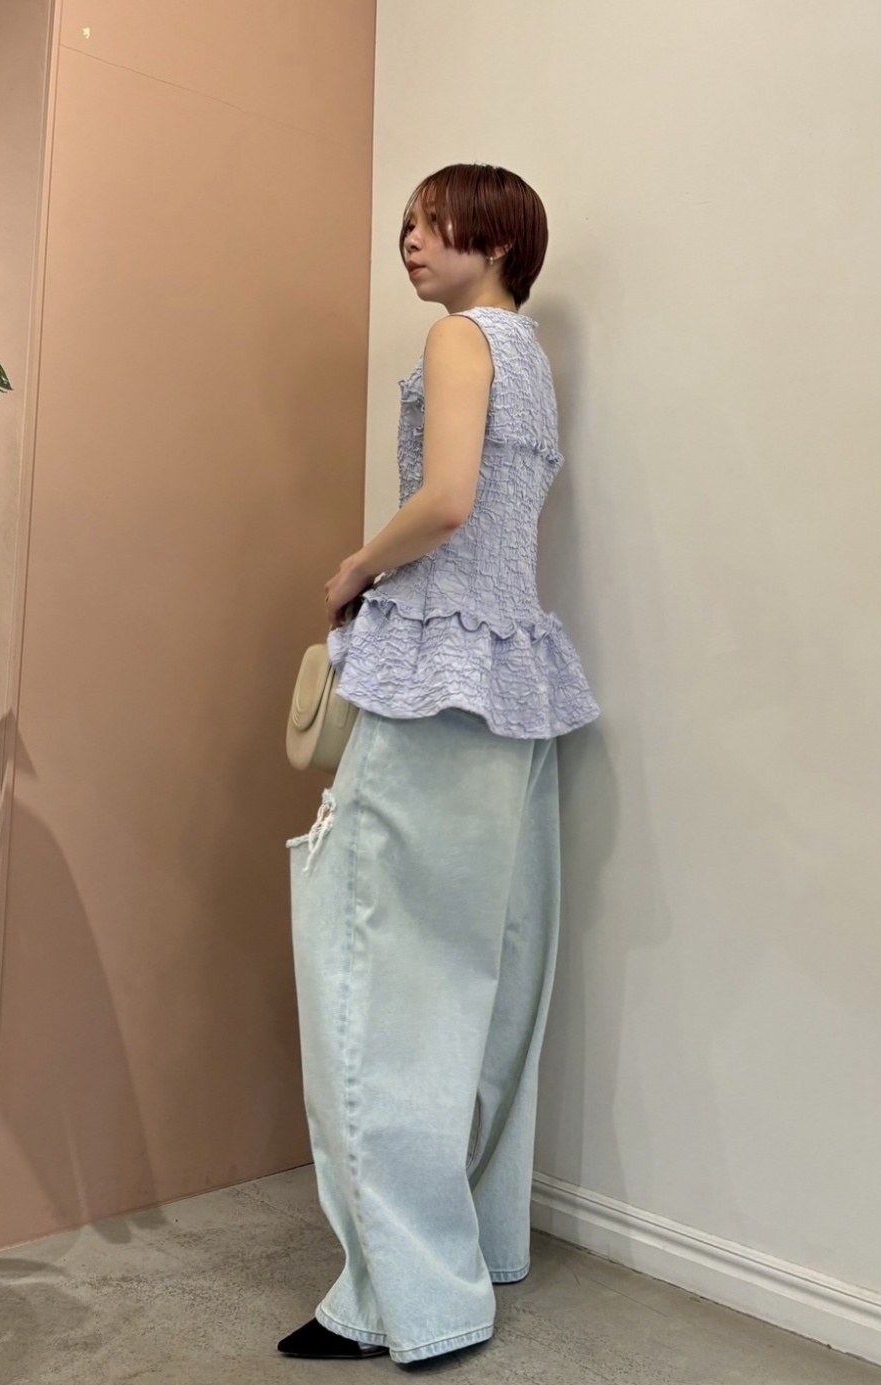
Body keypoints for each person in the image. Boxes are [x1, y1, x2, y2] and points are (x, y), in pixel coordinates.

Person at [279, 163, 599, 1367]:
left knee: (373, 976)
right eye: (405, 225)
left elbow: (449, 500)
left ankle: (391, 1298)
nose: (408, 241)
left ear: (492, 236)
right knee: (485, 978)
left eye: (428, 222)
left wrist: (356, 566)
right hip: (511, 688)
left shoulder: (459, 339)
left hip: (434, 683)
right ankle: (476, 1251)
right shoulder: (530, 357)